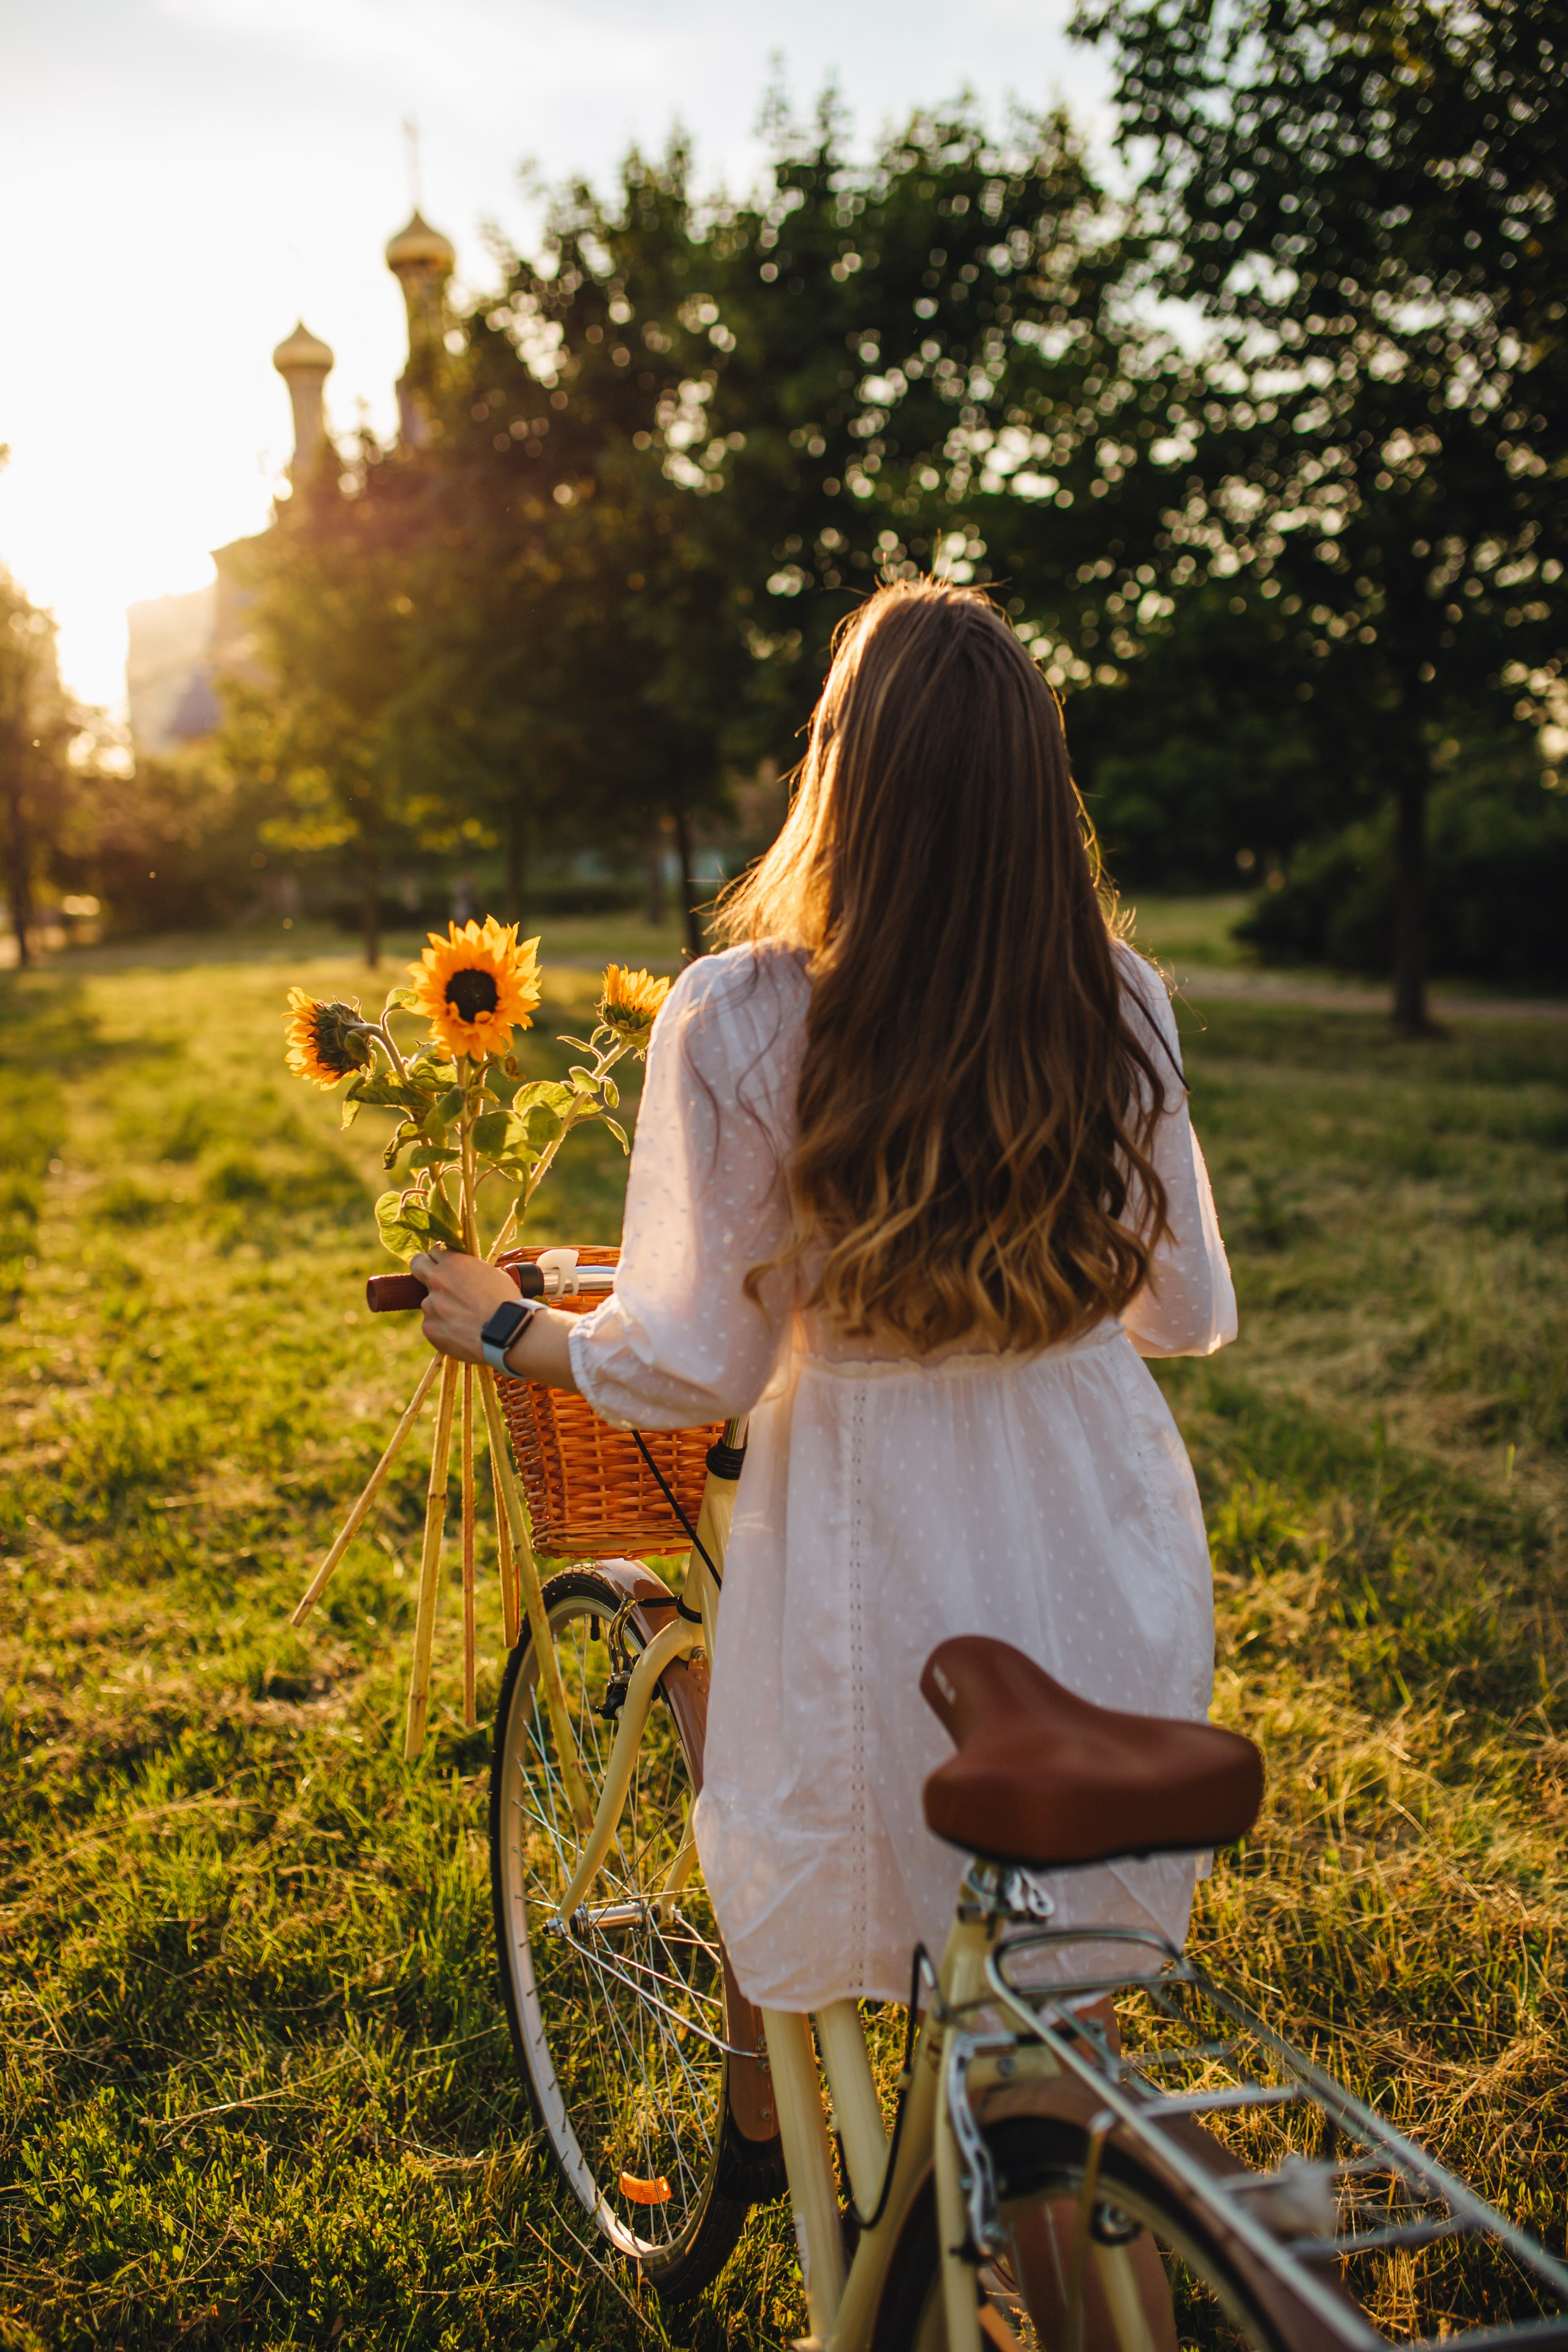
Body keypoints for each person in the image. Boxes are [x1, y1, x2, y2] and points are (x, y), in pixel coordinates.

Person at [414, 580, 1234, 2316]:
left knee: (816, 1840)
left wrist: (507, 1323)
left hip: (875, 1540)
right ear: (1037, 786)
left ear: (839, 775)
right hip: (1096, 1537)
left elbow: (690, 1354)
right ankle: (1049, 2230)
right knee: (1032, 1961)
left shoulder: (746, 1015)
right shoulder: (1123, 997)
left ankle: (863, 2194)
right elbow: (1185, 1314)